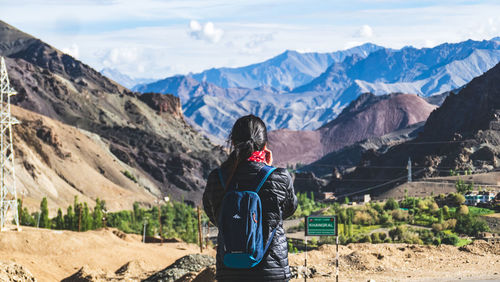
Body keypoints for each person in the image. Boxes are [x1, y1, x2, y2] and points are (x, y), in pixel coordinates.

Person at [203, 114, 298, 282]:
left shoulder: (217, 177)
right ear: (265, 144)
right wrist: (268, 169)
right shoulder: (279, 176)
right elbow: (289, 209)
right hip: (271, 270)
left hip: (230, 269)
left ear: (233, 143)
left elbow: (215, 216)